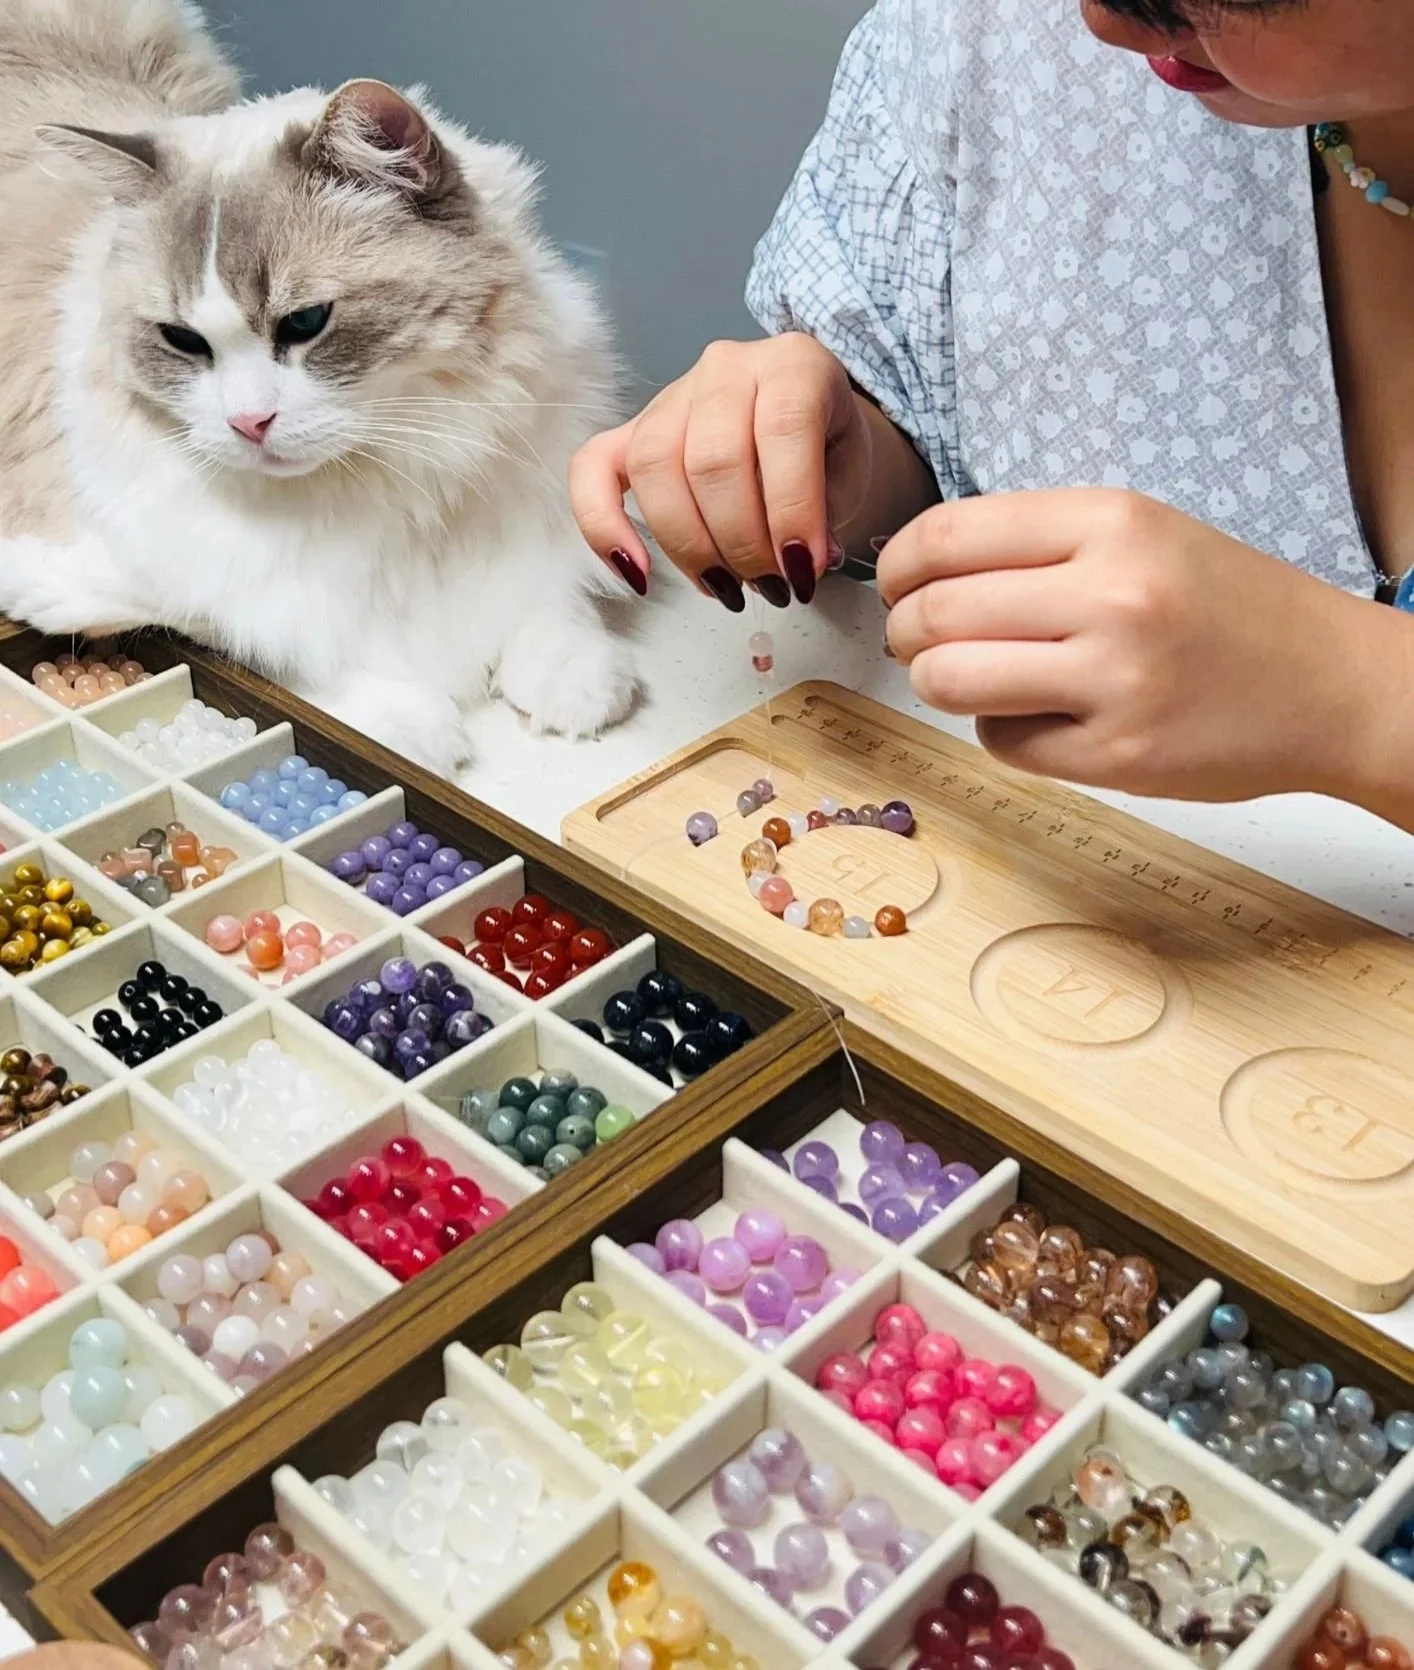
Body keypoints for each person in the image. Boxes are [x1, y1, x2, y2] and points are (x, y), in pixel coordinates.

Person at [570, 0, 1414, 832]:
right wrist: (839, 452)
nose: (1100, 22)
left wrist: (1359, 699)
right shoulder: (985, 31)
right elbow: (924, 431)